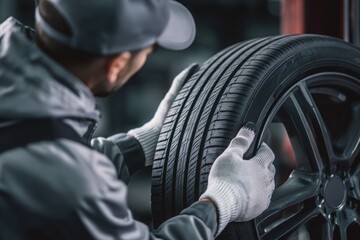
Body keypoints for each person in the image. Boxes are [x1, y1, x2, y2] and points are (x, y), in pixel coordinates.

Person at [0, 0, 276, 239]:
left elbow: (41, 172)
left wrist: (140, 143)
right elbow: (64, 179)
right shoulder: (72, 179)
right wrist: (224, 200)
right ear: (115, 66)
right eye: (147, 52)